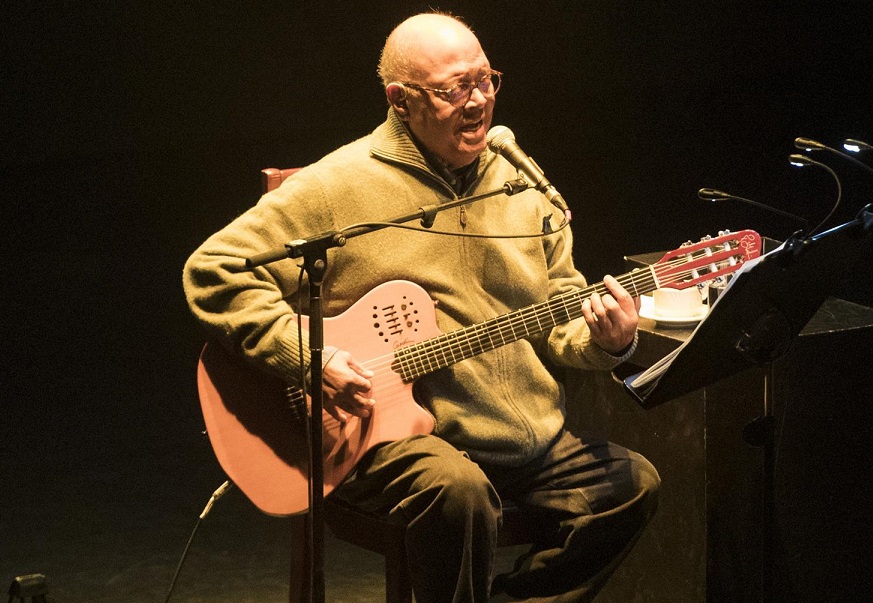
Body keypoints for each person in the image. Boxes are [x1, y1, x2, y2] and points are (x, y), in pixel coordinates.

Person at [183, 12, 659, 602]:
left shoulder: (519, 180)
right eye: (453, 88)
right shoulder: (338, 186)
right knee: (458, 492)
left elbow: (560, 306)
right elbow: (214, 268)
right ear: (400, 100)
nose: (478, 100)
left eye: (486, 80)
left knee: (631, 486)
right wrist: (310, 357)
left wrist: (605, 342)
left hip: (518, 434)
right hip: (397, 439)